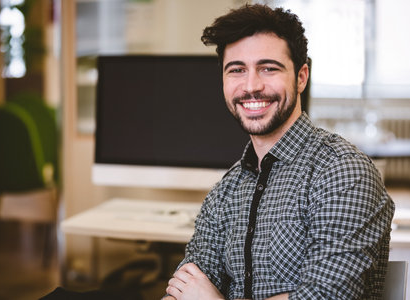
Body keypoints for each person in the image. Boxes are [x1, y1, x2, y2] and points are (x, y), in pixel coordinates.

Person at [164, 4, 395, 300]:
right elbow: (184, 290)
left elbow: (325, 297)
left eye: (268, 68)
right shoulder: (225, 192)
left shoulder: (343, 172)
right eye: (237, 70)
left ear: (301, 77)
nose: (251, 86)